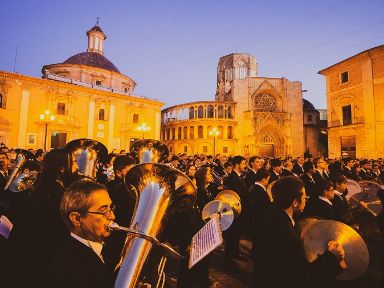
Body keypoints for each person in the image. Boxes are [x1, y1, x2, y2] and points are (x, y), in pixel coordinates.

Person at [253, 176, 345, 288]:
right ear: (295, 202)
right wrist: (332, 256)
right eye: (304, 197)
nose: (306, 200)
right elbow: (302, 277)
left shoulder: (270, 213)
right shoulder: (286, 234)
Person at [40, 179, 115, 288]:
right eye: (103, 211)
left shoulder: (112, 246)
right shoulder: (64, 270)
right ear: (76, 219)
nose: (112, 216)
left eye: (111, 208)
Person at [103, 155, 136, 272]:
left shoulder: (134, 188)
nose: (133, 175)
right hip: (117, 237)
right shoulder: (112, 189)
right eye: (129, 171)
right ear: (117, 173)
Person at [223, 155, 248, 268]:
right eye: (243, 163)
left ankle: (235, 253)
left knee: (236, 234)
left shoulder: (239, 177)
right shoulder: (232, 177)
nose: (245, 165)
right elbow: (235, 195)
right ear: (237, 165)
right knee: (232, 235)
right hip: (234, 212)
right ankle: (228, 260)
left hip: (240, 211)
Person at [247, 167, 271, 257]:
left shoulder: (254, 186)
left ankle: (255, 252)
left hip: (256, 218)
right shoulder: (259, 190)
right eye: (268, 179)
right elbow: (265, 206)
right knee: (259, 238)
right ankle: (257, 254)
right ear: (264, 179)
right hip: (260, 218)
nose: (268, 181)